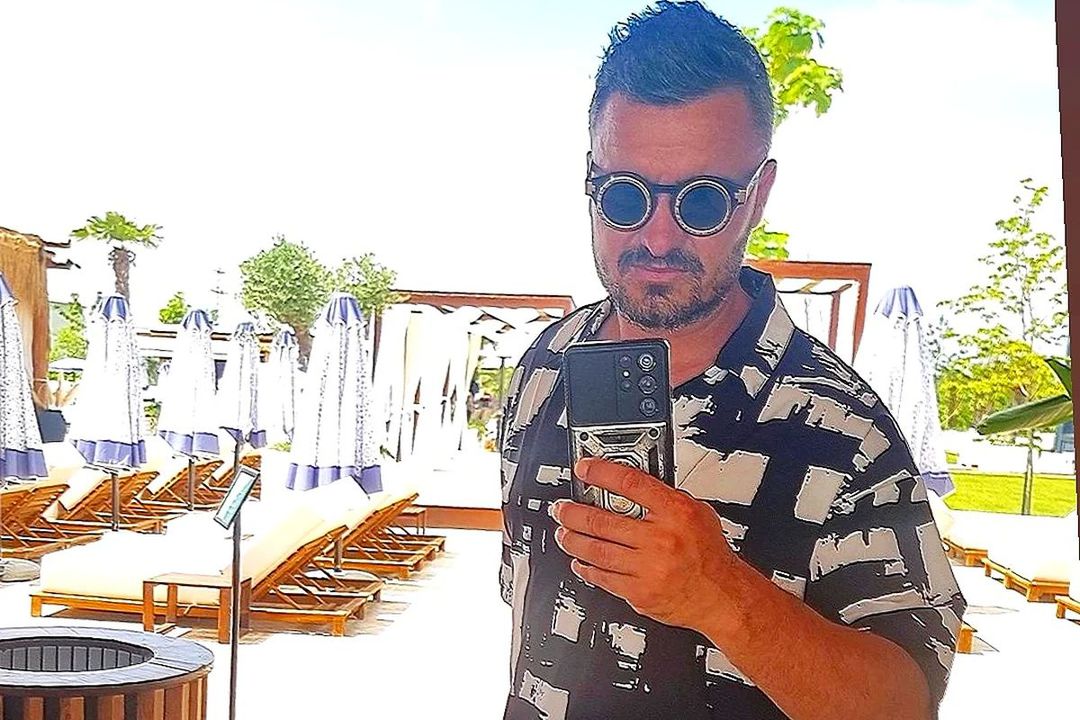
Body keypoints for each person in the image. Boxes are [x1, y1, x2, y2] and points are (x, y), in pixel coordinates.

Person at [497, 3, 967, 719]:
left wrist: (720, 595)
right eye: (624, 196)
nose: (658, 237)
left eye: (702, 202)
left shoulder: (844, 429)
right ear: (588, 179)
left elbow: (906, 704)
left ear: (759, 197)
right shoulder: (544, 366)